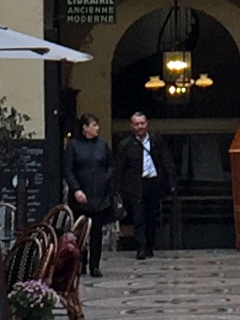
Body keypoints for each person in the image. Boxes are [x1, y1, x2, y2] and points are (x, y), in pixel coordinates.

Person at [112, 109, 171, 259]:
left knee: (152, 216)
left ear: (147, 124)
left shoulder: (156, 141)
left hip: (153, 183)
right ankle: (141, 247)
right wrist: (118, 190)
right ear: (131, 126)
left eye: (142, 123)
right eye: (136, 124)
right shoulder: (125, 145)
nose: (140, 127)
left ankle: (150, 245)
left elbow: (165, 161)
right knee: (138, 217)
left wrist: (170, 182)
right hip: (135, 185)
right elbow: (120, 168)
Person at [63, 111, 115, 274]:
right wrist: (76, 189)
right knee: (80, 233)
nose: (97, 128)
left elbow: (111, 165)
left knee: (97, 233)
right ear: (85, 127)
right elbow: (68, 169)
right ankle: (80, 263)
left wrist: (105, 180)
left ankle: (95, 265)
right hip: (80, 195)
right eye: (94, 125)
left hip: (99, 195)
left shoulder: (102, 145)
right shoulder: (73, 145)